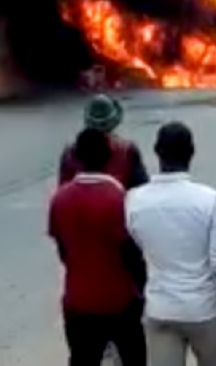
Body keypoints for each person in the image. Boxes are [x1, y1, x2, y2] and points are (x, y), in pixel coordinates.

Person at [125, 122, 216, 366]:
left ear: (156, 151)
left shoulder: (134, 200)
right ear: (191, 152)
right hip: (205, 311)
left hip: (160, 310)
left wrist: (148, 293)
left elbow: (132, 254)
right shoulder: (209, 199)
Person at [48, 128, 147, 366]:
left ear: (78, 159)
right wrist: (143, 290)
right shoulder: (118, 197)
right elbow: (130, 253)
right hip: (119, 301)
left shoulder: (59, 199)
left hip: (77, 302)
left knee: (82, 359)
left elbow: (63, 250)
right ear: (107, 157)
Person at [59, 94, 149, 189]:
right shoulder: (128, 150)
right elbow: (141, 190)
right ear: (114, 122)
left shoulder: (69, 152)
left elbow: (62, 191)